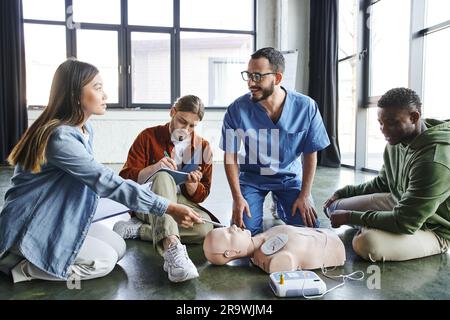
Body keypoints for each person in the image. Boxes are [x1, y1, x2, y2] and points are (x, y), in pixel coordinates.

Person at [0, 59, 203, 283]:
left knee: (118, 248)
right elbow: (106, 181)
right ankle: (22, 267)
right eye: (97, 88)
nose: (105, 95)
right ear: (75, 95)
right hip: (33, 225)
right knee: (104, 261)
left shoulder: (84, 129)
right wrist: (169, 207)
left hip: (61, 217)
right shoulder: (60, 137)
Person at [324, 88, 450, 262]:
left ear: (413, 117)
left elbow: (406, 221)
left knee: (366, 244)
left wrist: (350, 217)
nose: (383, 129)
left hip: (433, 229)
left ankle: (377, 229)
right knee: (334, 208)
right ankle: (378, 226)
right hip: (400, 204)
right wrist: (343, 192)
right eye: (380, 122)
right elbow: (382, 183)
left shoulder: (434, 161)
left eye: (391, 122)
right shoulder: (396, 140)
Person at [220, 47, 330, 235]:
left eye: (257, 76)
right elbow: (230, 156)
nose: (250, 83)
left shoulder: (306, 107)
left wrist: (304, 195)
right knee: (243, 233)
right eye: (248, 75)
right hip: (252, 178)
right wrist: (237, 197)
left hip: (289, 177)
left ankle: (282, 203)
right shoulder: (235, 110)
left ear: (277, 78)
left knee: (308, 231)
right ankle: (269, 203)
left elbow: (310, 154)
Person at [113, 95, 216, 283]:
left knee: (206, 229)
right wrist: (155, 168)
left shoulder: (204, 147)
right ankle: (172, 247)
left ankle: (141, 231)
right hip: (147, 202)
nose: (185, 130)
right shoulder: (147, 136)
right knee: (163, 176)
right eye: (181, 122)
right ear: (172, 112)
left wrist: (192, 186)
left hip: (179, 203)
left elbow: (203, 193)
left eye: (192, 126)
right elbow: (125, 179)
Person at [203, 225, 345, 273]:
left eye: (227, 228)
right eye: (228, 233)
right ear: (230, 253)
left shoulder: (264, 237)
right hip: (334, 249)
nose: (233, 226)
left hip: (328, 236)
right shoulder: (273, 260)